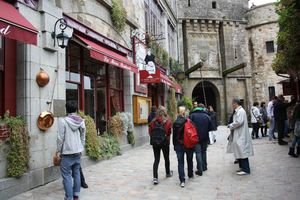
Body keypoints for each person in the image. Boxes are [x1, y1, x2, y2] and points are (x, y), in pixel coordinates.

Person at [57, 101, 86, 200]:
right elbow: (83, 135)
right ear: (76, 109)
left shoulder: (63, 121)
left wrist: (58, 151)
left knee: (67, 176)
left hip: (67, 152)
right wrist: (81, 147)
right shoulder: (81, 121)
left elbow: (60, 138)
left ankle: (69, 197)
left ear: (67, 109)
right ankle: (76, 195)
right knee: (76, 173)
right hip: (77, 151)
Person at [228, 99, 254, 175]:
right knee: (239, 151)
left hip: (241, 134)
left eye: (232, 104)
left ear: (235, 103)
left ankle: (246, 169)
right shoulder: (238, 111)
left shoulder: (241, 111)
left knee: (242, 151)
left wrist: (231, 125)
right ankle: (242, 167)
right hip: (238, 133)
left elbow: (239, 122)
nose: (232, 105)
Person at [149, 106, 173, 185]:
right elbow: (169, 132)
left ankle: (155, 178)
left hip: (155, 142)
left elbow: (150, 132)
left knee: (156, 160)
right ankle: (168, 172)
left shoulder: (153, 121)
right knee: (166, 158)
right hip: (165, 142)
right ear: (165, 111)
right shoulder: (168, 121)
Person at [173, 106, 194, 188]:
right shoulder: (189, 121)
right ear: (184, 112)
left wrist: (174, 145)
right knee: (189, 159)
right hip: (188, 144)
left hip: (179, 144)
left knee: (180, 162)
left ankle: (182, 180)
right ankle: (190, 174)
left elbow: (174, 136)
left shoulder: (175, 122)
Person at [189, 104, 213, 176]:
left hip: (195, 137)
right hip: (205, 137)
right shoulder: (207, 116)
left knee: (198, 153)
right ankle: (204, 166)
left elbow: (189, 127)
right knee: (204, 152)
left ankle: (200, 169)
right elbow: (210, 128)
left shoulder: (192, 116)